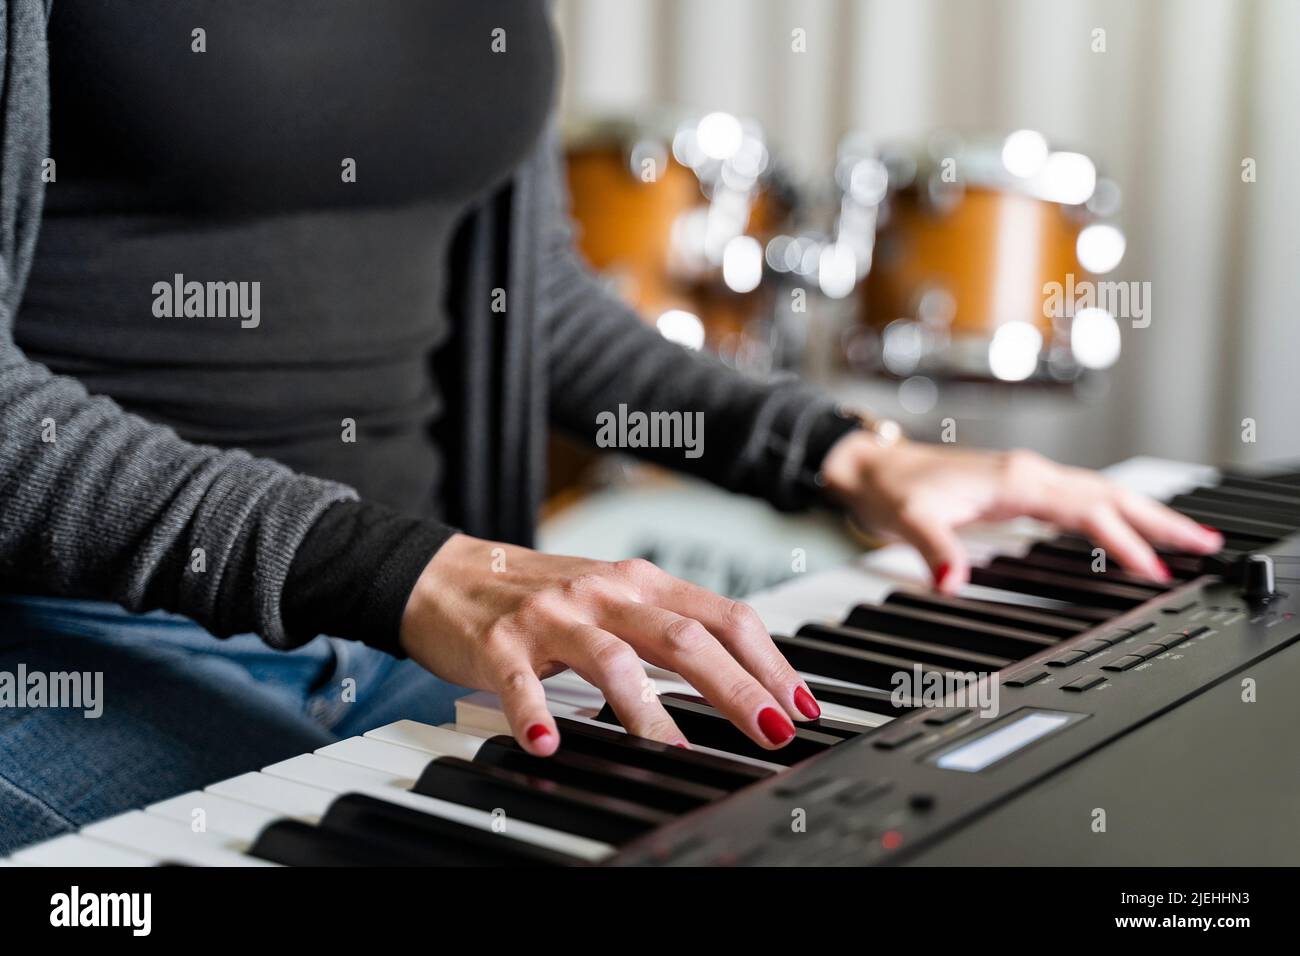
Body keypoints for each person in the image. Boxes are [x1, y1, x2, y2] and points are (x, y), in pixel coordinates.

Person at [0, 0, 1220, 852]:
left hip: (429, 638)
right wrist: (403, 571)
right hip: (77, 643)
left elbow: (529, 302)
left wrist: (844, 453)